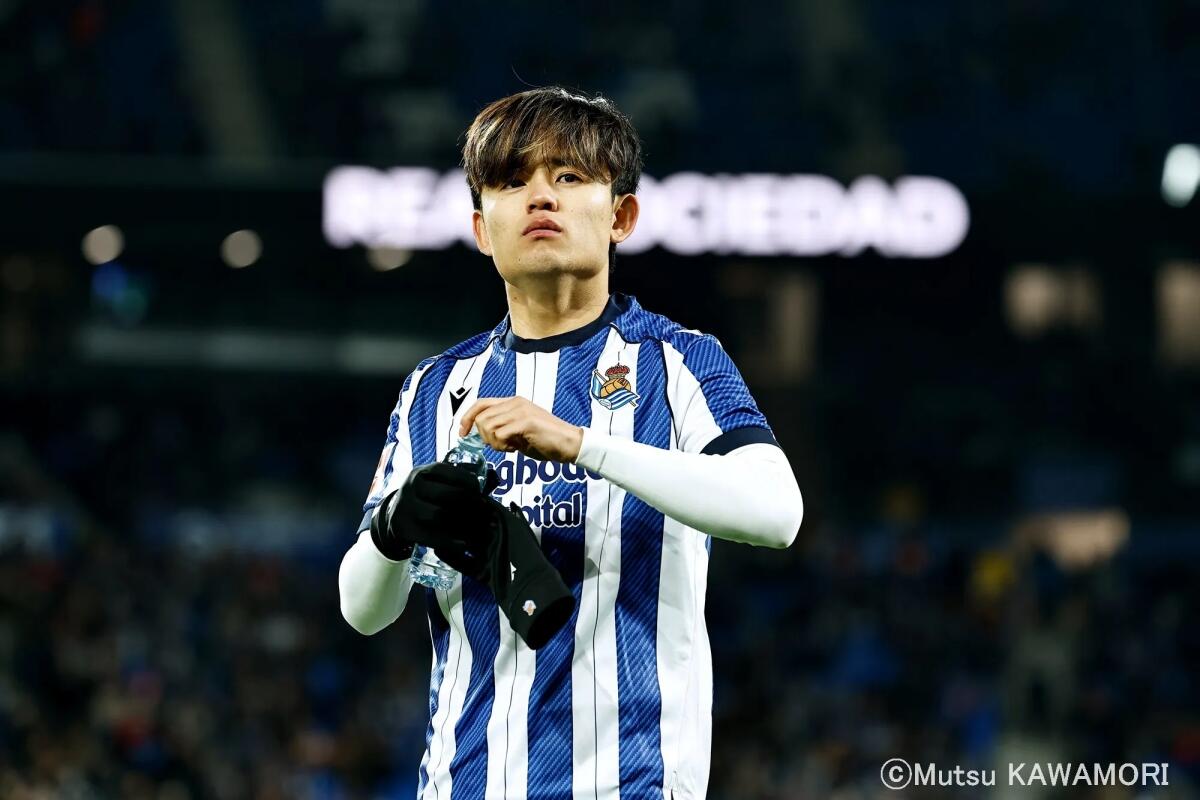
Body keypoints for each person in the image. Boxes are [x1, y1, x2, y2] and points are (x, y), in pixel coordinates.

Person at [339, 86, 804, 800]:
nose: (540, 197)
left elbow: (777, 513)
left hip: (633, 786)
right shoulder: (434, 388)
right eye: (511, 181)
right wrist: (396, 525)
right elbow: (363, 611)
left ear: (621, 216)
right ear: (481, 229)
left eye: (568, 176)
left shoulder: (679, 361)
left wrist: (583, 444)